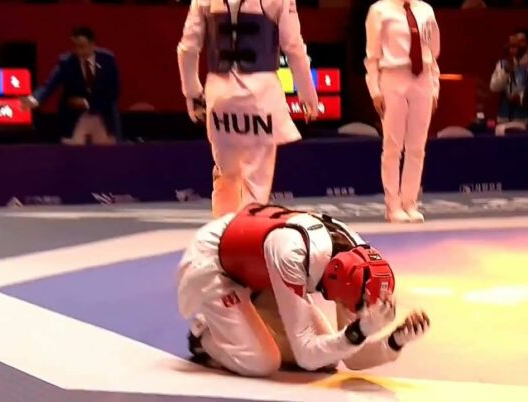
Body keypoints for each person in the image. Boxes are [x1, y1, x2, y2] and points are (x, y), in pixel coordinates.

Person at [177, 204, 431, 377]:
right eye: (358, 306)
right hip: (214, 263)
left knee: (329, 356)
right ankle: (203, 336)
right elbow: (307, 354)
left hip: (258, 266)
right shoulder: (293, 254)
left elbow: (352, 357)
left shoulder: (355, 261)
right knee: (260, 362)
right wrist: (359, 331)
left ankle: (248, 312)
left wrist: (394, 341)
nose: (359, 312)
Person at [177, 0, 319, 219]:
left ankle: (221, 230)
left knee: (226, 175)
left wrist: (193, 93)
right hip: (260, 96)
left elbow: (188, 48)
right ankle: (249, 231)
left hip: (220, 96)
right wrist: (307, 93)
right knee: (256, 182)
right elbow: (293, 46)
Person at [365, 0, 441, 223]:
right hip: (392, 76)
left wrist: (434, 86)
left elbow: (432, 52)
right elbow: (372, 56)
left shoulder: (426, 9)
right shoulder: (379, 10)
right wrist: (375, 90)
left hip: (422, 78)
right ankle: (393, 205)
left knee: (417, 146)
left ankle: (410, 202)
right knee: (392, 146)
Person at [21, 26, 122, 145]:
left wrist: (87, 103)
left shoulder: (107, 60)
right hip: (75, 116)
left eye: (82, 46)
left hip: (103, 114)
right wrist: (35, 99)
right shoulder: (67, 62)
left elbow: (113, 91)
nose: (79, 51)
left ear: (92, 44)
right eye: (75, 46)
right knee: (73, 151)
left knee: (107, 152)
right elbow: (49, 85)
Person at [489, 33, 528, 134]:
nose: (516, 46)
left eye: (521, 42)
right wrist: (505, 72)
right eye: (513, 44)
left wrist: (521, 98)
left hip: (526, 119)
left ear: (527, 45)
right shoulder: (503, 64)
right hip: (504, 118)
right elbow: (494, 87)